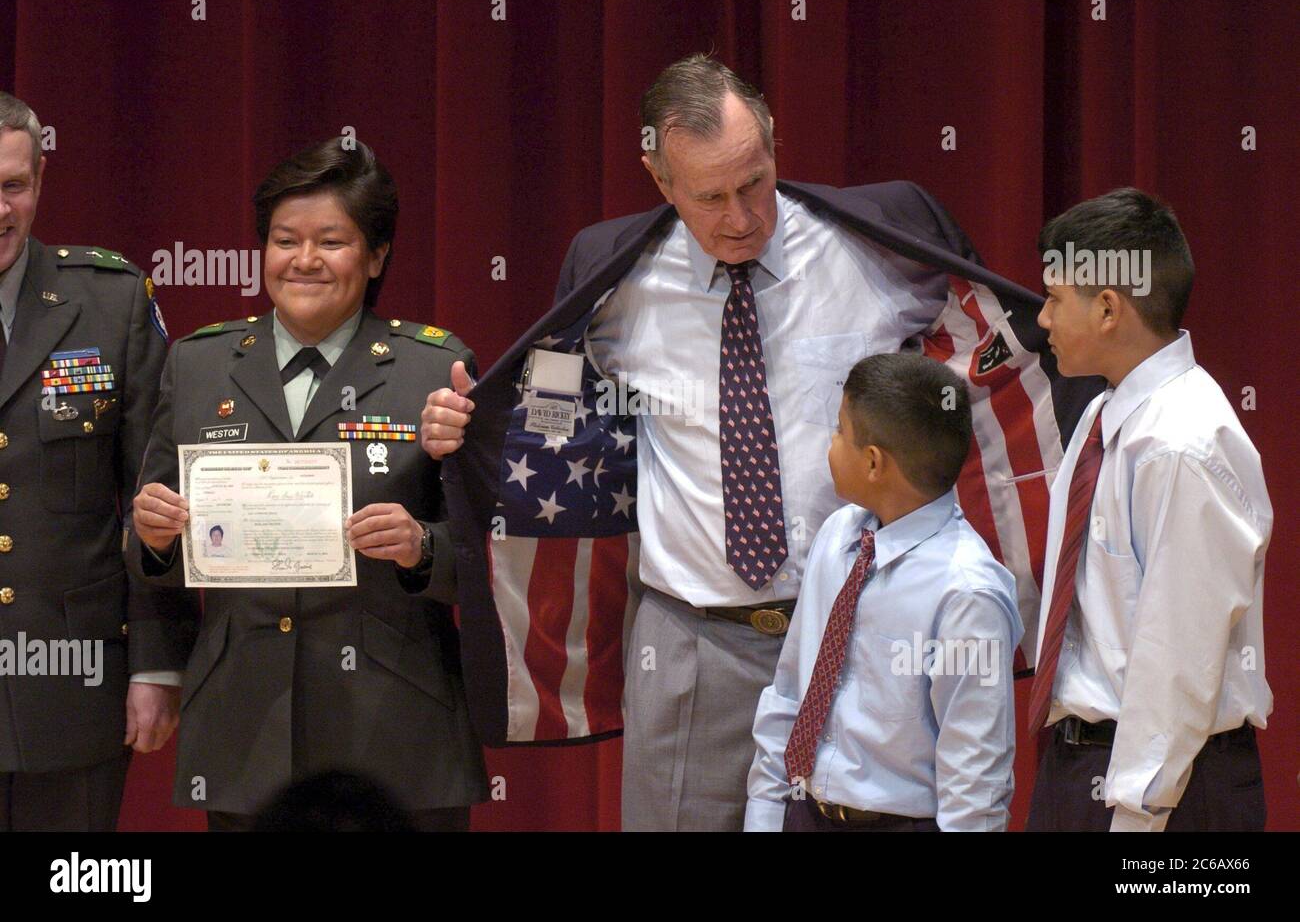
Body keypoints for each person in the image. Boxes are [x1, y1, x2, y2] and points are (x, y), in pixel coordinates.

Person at [423, 54, 1090, 831]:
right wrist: (469, 428)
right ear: (658, 177)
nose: (740, 217)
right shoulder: (609, 275)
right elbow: (555, 420)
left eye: (754, 182)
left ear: (774, 146)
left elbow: (997, 347)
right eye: (709, 197)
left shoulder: (879, 242)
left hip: (863, 629)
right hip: (690, 646)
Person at [127, 137, 488, 831]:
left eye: (332, 240)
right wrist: (151, 539)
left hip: (396, 721)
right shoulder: (198, 364)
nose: (305, 260)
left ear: (376, 255)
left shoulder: (433, 369)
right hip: (243, 725)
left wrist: (420, 545)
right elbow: (153, 552)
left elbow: (486, 552)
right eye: (285, 239)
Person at [1026, 188, 1272, 831]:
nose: (1042, 320)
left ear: (1109, 307)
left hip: (1170, 792)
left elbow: (1179, 655)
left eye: (1054, 299)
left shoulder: (1182, 443)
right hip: (1082, 768)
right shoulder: (1105, 418)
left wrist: (1137, 816)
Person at [0, 92, 192, 832]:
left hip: (75, 682)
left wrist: (156, 661)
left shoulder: (107, 300)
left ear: (41, 181)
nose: (1, 209)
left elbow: (157, 489)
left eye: (14, 186)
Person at [746, 353, 1020, 832]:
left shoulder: (966, 592)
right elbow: (791, 691)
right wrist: (766, 814)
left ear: (873, 462)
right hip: (805, 814)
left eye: (838, 431)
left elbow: (975, 777)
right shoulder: (837, 537)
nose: (829, 444)